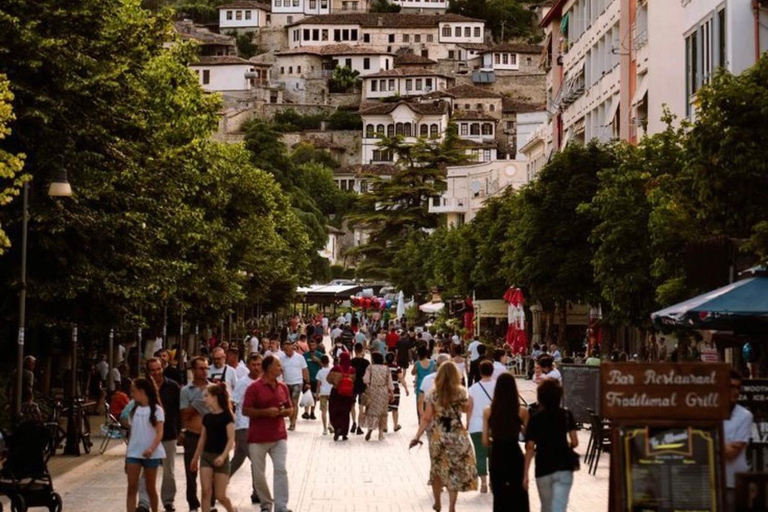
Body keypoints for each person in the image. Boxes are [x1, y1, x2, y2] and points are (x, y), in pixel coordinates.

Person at [410, 362, 478, 512]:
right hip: (456, 435)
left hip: (438, 435)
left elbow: (427, 418)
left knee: (437, 470)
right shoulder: (461, 392)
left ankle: (438, 502)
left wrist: (417, 436)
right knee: (453, 471)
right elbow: (467, 409)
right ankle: (452, 506)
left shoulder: (433, 393)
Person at [242, 356, 293, 512]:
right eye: (278, 365)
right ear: (270, 367)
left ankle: (281, 506)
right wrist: (265, 412)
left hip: (279, 436)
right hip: (258, 437)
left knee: (281, 469)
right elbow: (245, 410)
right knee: (259, 474)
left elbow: (291, 410)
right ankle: (266, 504)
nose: (281, 368)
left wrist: (282, 412)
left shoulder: (283, 387)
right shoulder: (254, 388)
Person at [524, 379, 578, 512]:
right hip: (564, 466)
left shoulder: (535, 418)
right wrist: (566, 445)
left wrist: (525, 473)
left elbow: (530, 447)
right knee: (560, 507)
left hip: (543, 466)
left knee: (547, 507)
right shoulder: (566, 414)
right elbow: (575, 442)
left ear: (540, 397)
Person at [482, 373, 529, 512]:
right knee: (519, 496)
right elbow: (529, 437)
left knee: (500, 497)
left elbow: (485, 441)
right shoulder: (522, 411)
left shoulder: (488, 411)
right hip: (515, 454)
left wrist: (495, 440)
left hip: (497, 455)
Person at [138, 358, 180, 512]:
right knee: (146, 470)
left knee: (169, 471)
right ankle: (143, 503)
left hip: (168, 434)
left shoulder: (173, 386)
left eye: (158, 369)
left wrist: (180, 431)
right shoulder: (144, 388)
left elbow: (178, 411)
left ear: (163, 368)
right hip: (149, 435)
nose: (156, 372)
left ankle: (168, 501)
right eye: (153, 370)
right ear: (148, 372)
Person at [189, 385, 236, 512]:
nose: (204, 399)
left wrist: (223, 456)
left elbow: (231, 439)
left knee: (220, 495)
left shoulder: (227, 416)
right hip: (206, 457)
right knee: (205, 491)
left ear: (215, 398)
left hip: (221, 457)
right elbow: (202, 439)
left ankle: (232, 510)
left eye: (206, 396)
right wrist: (195, 458)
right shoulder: (207, 417)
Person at [125, 378, 166, 512]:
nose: (132, 394)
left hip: (151, 454)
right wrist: (127, 455)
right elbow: (132, 433)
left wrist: (151, 448)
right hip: (134, 453)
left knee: (150, 487)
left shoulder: (157, 410)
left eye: (134, 391)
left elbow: (159, 432)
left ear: (142, 391)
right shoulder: (134, 410)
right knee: (132, 487)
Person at [180, 356, 212, 512]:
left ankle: (210, 502)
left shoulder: (213, 389)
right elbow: (184, 415)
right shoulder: (186, 391)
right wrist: (198, 403)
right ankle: (193, 505)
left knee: (211, 471)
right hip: (193, 435)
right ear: (193, 370)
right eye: (201, 368)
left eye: (206, 368)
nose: (205, 371)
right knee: (191, 471)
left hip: (212, 436)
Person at [231, 353, 263, 505]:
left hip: (257, 427)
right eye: (253, 364)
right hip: (244, 426)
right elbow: (235, 403)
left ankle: (216, 485)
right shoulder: (243, 382)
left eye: (259, 364)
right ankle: (258, 493)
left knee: (238, 459)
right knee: (256, 460)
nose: (256, 367)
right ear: (248, 366)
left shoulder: (264, 382)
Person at [724, 369, 753, 511]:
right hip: (711, 483)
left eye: (738, 387)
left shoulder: (744, 416)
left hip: (733, 484)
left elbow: (731, 453)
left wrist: (709, 438)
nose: (735, 392)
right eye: (731, 387)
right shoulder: (709, 412)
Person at [467, 360, 496, 494]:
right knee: (493, 455)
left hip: (476, 425)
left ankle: (483, 483)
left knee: (480, 454)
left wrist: (467, 423)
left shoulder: (473, 388)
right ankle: (492, 482)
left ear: (480, 371)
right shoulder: (498, 386)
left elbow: (469, 408)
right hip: (493, 426)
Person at [361, 352, 394, 441]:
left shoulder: (370, 367)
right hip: (383, 391)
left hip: (373, 390)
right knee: (382, 413)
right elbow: (390, 382)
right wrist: (392, 392)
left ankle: (370, 429)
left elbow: (365, 380)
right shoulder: (386, 369)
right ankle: (381, 433)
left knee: (372, 411)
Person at [277, 340, 308, 431]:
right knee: (288, 403)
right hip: (286, 383)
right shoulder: (282, 358)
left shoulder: (300, 357)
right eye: (285, 350)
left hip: (297, 382)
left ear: (292, 348)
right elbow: (280, 369)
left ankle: (292, 423)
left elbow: (305, 369)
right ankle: (292, 418)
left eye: (288, 349)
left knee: (294, 402)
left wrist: (308, 382)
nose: (286, 352)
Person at [327, 351, 356, 441]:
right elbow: (353, 381)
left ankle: (337, 428)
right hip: (348, 394)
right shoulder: (352, 370)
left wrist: (336, 383)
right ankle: (344, 433)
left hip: (336, 392)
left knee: (334, 410)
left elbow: (328, 379)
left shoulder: (335, 369)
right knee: (345, 412)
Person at [350, 343, 370, 435]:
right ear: (362, 350)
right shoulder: (366, 363)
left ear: (354, 350)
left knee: (352, 405)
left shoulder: (351, 362)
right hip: (363, 386)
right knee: (361, 407)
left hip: (353, 386)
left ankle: (353, 422)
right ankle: (359, 426)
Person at [385, 352, 408, 432]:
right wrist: (406, 388)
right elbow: (401, 378)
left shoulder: (383, 367)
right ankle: (395, 426)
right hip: (395, 390)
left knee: (385, 408)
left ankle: (385, 426)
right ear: (394, 358)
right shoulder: (397, 367)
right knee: (395, 408)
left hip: (385, 390)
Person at [302, 337, 324, 421]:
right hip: (307, 379)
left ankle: (312, 412)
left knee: (314, 396)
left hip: (316, 379)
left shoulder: (320, 355)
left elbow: (324, 365)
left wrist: (317, 360)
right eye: (310, 345)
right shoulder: (304, 355)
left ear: (316, 345)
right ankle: (306, 412)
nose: (312, 347)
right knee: (307, 395)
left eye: (313, 345)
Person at [412, 346, 436, 420]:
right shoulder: (432, 363)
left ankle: (421, 419)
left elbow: (413, 372)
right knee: (430, 403)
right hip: (430, 385)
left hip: (420, 385)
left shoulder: (417, 363)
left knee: (420, 403)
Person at [315, 356, 333, 435]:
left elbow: (318, 384)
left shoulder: (320, 372)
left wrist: (317, 394)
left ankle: (325, 429)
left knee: (323, 411)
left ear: (321, 363)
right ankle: (331, 424)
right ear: (328, 362)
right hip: (331, 392)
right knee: (331, 410)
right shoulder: (331, 371)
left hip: (323, 393)